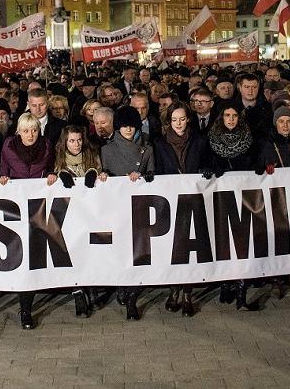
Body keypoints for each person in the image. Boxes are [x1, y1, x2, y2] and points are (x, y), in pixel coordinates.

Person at [0, 113, 53, 329]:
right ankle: (25, 308)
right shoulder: (8, 146)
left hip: (39, 208)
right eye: (26, 130)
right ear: (18, 132)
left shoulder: (46, 146)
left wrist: (52, 175)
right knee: (21, 257)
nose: (30, 135)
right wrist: (2, 179)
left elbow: (51, 168)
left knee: (36, 256)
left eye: (34, 130)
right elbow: (3, 171)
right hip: (15, 210)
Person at [98, 105, 154, 319]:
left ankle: (132, 294)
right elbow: (104, 173)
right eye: (124, 125)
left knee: (138, 251)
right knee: (120, 249)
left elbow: (154, 175)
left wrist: (144, 177)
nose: (128, 129)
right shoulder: (107, 150)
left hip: (140, 208)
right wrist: (104, 176)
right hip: (116, 208)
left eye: (132, 125)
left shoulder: (147, 148)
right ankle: (122, 286)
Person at [154, 102, 208, 316]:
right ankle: (173, 290)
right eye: (174, 119)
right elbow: (158, 170)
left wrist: (206, 170)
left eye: (182, 119)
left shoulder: (200, 141)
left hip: (193, 199)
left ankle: (187, 294)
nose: (178, 123)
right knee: (173, 249)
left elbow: (208, 164)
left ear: (188, 119)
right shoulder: (159, 143)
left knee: (190, 249)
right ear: (169, 121)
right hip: (169, 202)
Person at [47, 125, 104, 318]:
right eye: (72, 140)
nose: (76, 144)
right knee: (72, 253)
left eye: (79, 140)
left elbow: (101, 174)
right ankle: (78, 293)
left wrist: (98, 175)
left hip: (90, 213)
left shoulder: (91, 156)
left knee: (89, 251)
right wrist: (57, 176)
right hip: (68, 215)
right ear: (65, 142)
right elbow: (51, 177)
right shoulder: (58, 158)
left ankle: (91, 288)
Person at [207, 105, 259, 311]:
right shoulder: (211, 140)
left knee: (243, 245)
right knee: (224, 244)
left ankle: (241, 294)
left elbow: (255, 162)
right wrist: (210, 169)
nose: (231, 119)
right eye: (227, 115)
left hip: (244, 201)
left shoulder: (249, 139)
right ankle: (225, 287)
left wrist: (258, 168)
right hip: (222, 202)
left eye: (235, 115)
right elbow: (205, 164)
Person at [259, 106, 290, 171]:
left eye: (289, 121)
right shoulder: (266, 143)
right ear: (275, 123)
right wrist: (264, 167)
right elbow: (257, 168)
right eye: (281, 121)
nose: (285, 125)